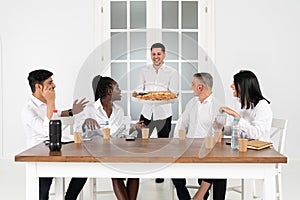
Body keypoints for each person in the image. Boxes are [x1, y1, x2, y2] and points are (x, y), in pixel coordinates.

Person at [22, 69, 88, 200]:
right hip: (39, 156)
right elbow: (48, 131)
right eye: (50, 82)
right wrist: (51, 101)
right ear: (38, 87)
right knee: (43, 189)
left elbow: (56, 113)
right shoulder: (28, 110)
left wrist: (71, 112)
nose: (54, 85)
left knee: (83, 169)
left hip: (56, 151)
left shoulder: (45, 105)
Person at [76, 76, 142, 200]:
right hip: (97, 153)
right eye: (118, 88)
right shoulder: (89, 109)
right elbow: (78, 132)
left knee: (135, 168)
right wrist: (85, 123)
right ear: (109, 91)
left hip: (117, 150)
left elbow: (121, 133)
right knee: (115, 170)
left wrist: (133, 128)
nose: (120, 91)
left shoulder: (119, 111)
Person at [172, 72, 227, 200]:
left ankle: (200, 196)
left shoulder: (218, 107)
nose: (191, 87)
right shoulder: (192, 102)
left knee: (214, 167)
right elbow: (182, 122)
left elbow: (218, 134)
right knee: (173, 169)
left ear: (200, 87)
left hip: (207, 151)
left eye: (193, 84)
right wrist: (176, 142)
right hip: (188, 149)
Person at [133, 42, 179, 183]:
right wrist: (138, 94)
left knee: (163, 143)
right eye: (153, 54)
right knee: (140, 142)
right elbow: (140, 90)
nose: (156, 56)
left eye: (159, 54)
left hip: (164, 113)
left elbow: (174, 95)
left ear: (164, 55)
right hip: (146, 112)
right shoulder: (144, 71)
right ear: (151, 55)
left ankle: (161, 173)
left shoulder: (172, 72)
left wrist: (157, 97)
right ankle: (139, 171)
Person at [220, 70, 272, 141]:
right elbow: (238, 131)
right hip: (243, 147)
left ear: (243, 86)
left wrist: (236, 116)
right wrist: (223, 129)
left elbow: (255, 134)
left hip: (259, 150)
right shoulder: (239, 103)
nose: (231, 86)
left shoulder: (262, 106)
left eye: (234, 83)